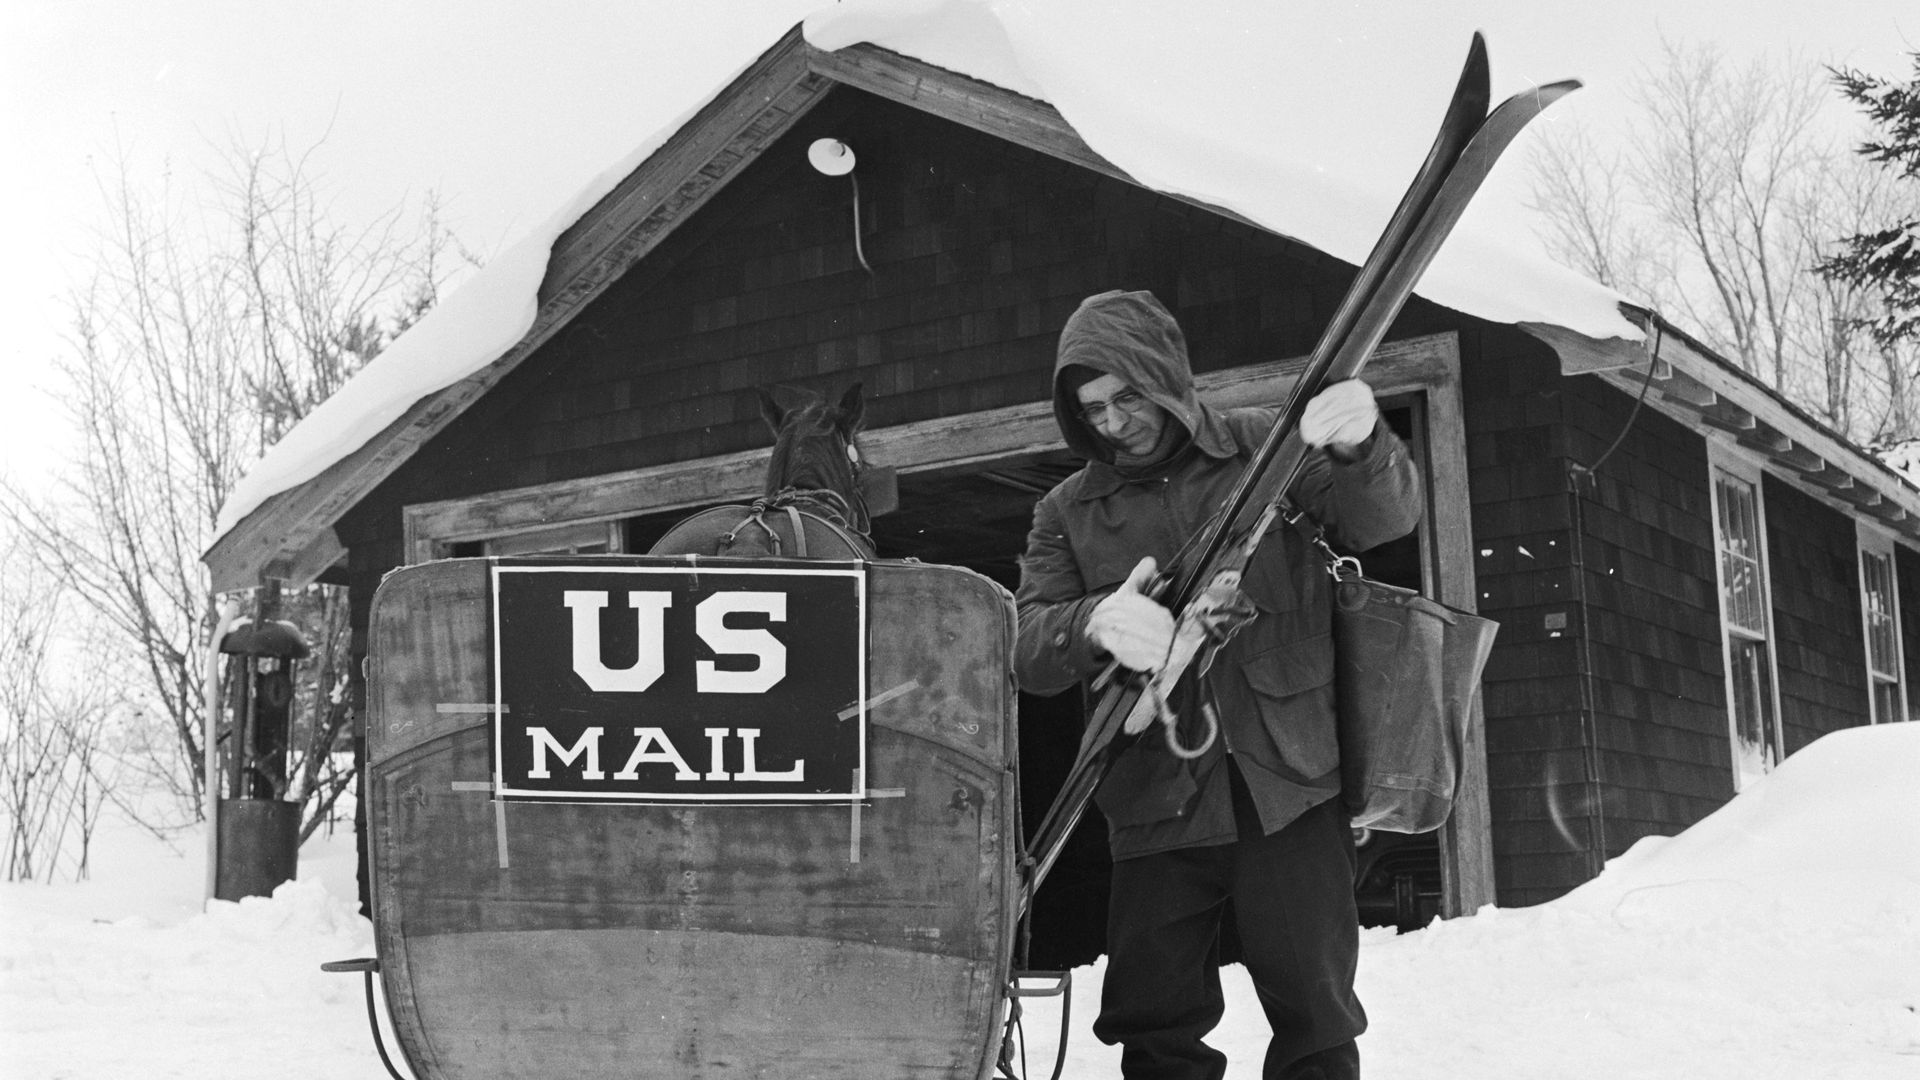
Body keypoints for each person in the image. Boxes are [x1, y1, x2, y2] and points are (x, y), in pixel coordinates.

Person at [1013, 289, 1422, 1080]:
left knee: (1316, 1016)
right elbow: (1030, 648)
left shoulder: (1266, 450)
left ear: (1163, 375)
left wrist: (1363, 444)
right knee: (1154, 1023)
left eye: (1126, 395)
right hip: (1152, 795)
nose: (1110, 420)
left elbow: (1382, 520)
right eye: (1091, 407)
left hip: (1288, 779)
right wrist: (1093, 621)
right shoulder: (1067, 512)